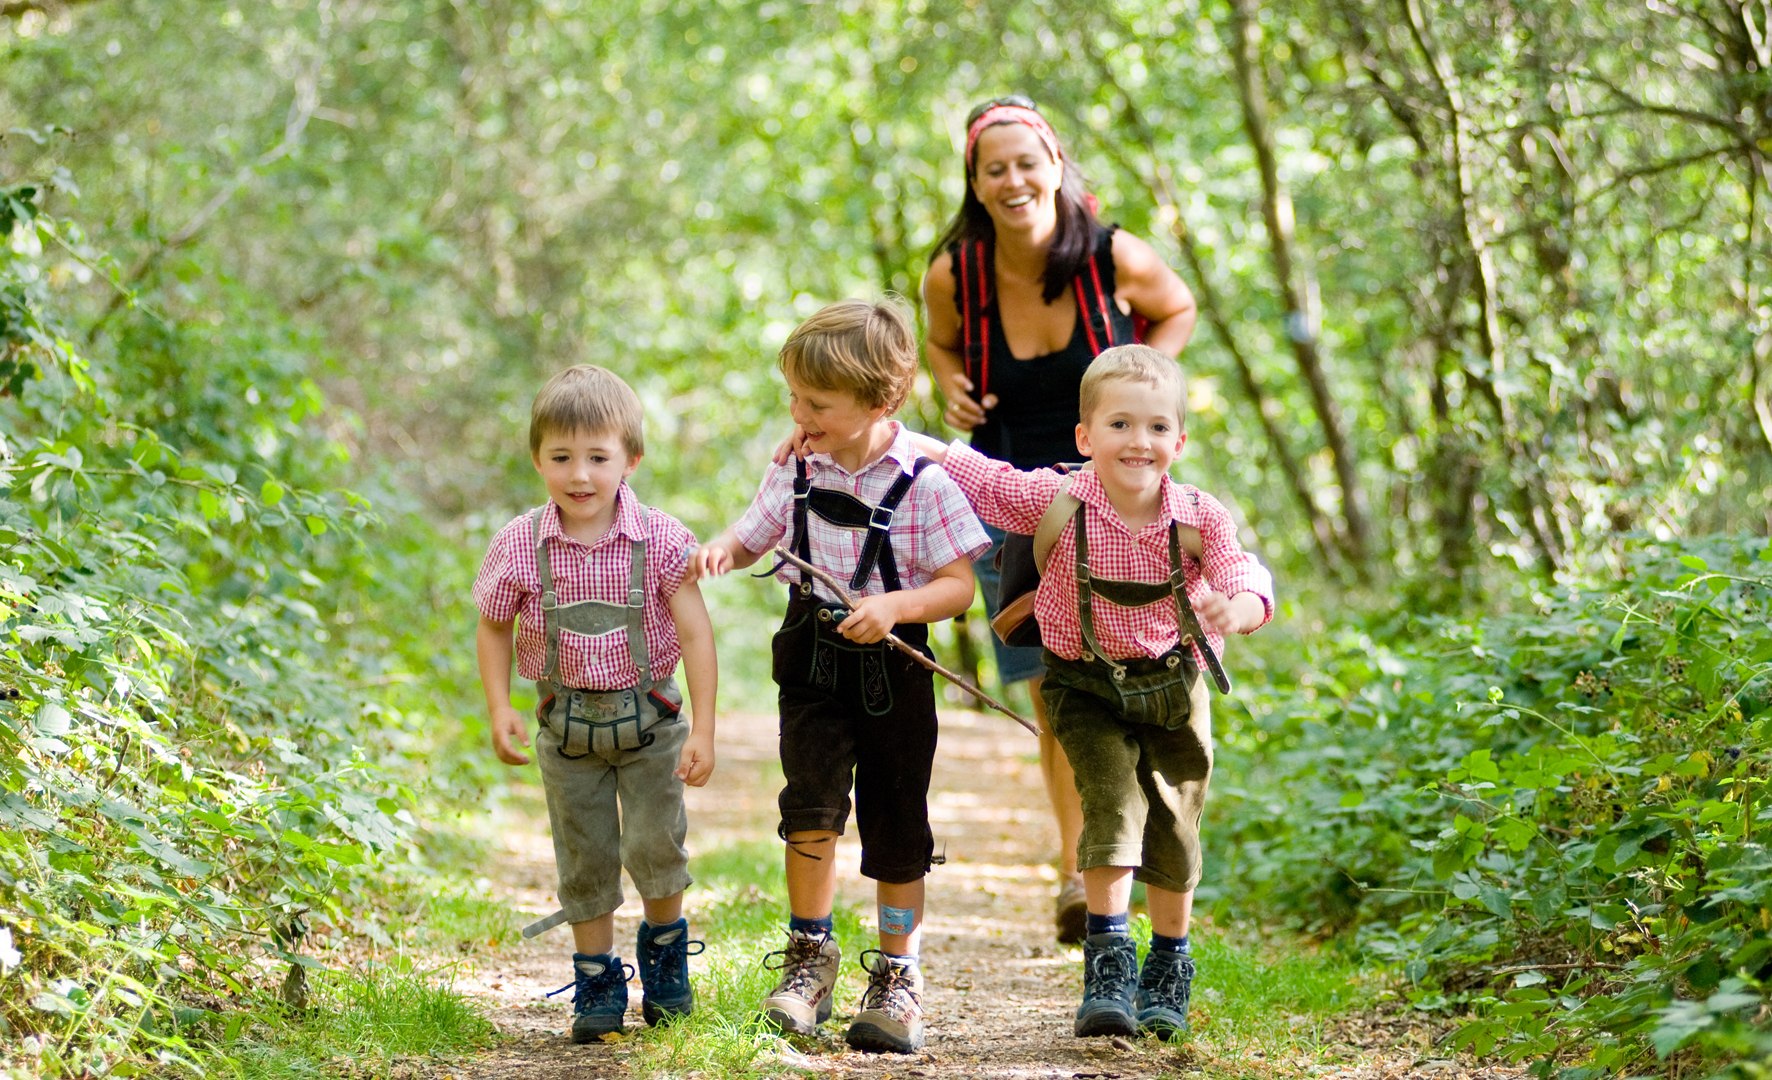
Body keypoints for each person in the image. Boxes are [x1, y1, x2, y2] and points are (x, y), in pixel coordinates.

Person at [901, 344, 1273, 1040]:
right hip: (1083, 684)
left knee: (1174, 829)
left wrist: (1239, 607)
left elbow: (1244, 572)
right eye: (1120, 425)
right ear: (1085, 437)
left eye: (1158, 428)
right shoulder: (1057, 498)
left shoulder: (1198, 517)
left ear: (1180, 440)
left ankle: (1168, 966)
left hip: (1175, 687)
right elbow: (982, 477)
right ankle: (1108, 964)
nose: (1140, 442)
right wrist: (899, 438)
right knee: (1109, 806)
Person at [922, 94, 1200, 943]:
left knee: (1145, 678)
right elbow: (937, 341)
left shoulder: (1110, 253)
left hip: (1119, 488)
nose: (1013, 181)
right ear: (975, 182)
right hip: (1015, 494)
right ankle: (1080, 869)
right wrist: (946, 381)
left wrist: (1141, 381)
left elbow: (1178, 307)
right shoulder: (955, 273)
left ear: (1054, 166)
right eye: (993, 168)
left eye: (1026, 163)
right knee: (1054, 690)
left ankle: (1150, 857)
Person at [692, 298, 989, 1055]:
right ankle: (808, 957)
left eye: (816, 403)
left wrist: (896, 605)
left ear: (879, 402)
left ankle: (897, 975)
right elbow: (758, 533)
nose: (799, 413)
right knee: (810, 805)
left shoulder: (927, 481)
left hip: (894, 669)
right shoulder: (797, 462)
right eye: (794, 397)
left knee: (897, 819)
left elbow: (960, 586)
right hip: (812, 657)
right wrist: (723, 550)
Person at [473, 365, 718, 1043]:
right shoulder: (520, 543)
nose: (579, 474)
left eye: (597, 457)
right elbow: (493, 625)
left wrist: (707, 728)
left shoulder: (662, 540)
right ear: (537, 458)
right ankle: (596, 976)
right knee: (583, 857)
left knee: (655, 845)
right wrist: (500, 708)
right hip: (566, 729)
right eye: (561, 457)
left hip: (652, 727)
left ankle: (665, 956)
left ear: (630, 460)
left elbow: (695, 632)